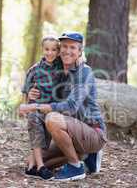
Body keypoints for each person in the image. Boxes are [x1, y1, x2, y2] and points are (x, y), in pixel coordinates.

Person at [19, 31, 107, 181]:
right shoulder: (59, 73)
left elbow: (71, 106)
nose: (67, 51)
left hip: (92, 131)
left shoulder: (83, 72)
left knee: (52, 119)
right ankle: (83, 157)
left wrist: (34, 107)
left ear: (80, 52)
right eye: (64, 47)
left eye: (73, 48)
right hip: (73, 132)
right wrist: (32, 95)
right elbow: (40, 75)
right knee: (32, 163)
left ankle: (75, 166)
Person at [20, 35, 62, 180]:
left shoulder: (62, 68)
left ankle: (31, 167)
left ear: (58, 51)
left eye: (54, 50)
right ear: (42, 50)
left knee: (44, 139)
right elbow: (26, 92)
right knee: (35, 125)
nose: (50, 53)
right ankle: (40, 167)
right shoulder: (34, 70)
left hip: (52, 110)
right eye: (47, 49)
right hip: (35, 109)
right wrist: (29, 96)